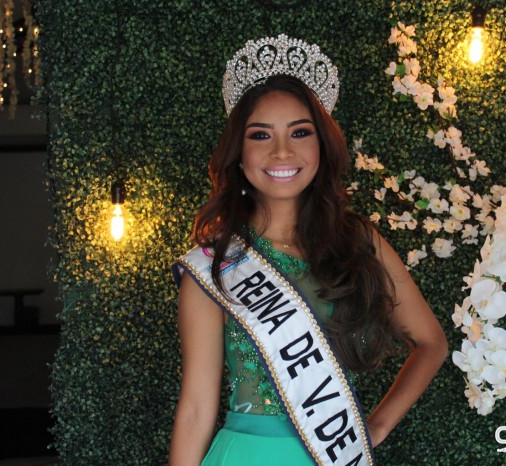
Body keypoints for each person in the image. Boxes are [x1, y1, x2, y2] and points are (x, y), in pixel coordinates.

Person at [169, 34, 447, 466]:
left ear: (322, 145)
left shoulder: (358, 241)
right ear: (239, 152)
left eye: (300, 132)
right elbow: (195, 411)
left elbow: (431, 343)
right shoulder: (215, 263)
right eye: (260, 135)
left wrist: (376, 427)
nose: (282, 151)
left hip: (337, 454)